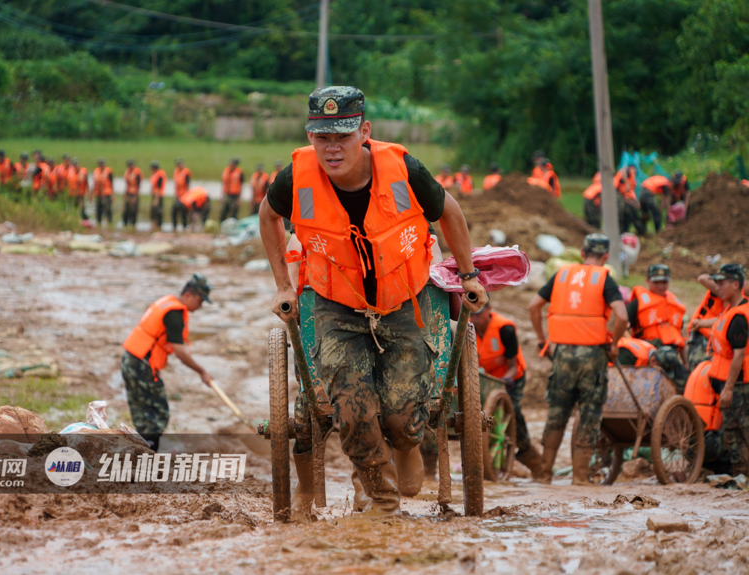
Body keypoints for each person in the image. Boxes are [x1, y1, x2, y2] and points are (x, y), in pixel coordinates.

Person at [259, 86, 487, 519]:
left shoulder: (403, 169)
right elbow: (267, 217)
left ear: (364, 132)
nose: (331, 149)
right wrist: (284, 288)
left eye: (342, 137)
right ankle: (382, 502)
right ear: (311, 137)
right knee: (350, 410)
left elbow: (450, 212)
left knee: (402, 413)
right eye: (321, 137)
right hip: (336, 304)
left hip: (403, 298)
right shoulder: (295, 177)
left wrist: (469, 274)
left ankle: (405, 445)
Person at [528, 233, 629, 484]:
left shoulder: (562, 274)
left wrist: (543, 339)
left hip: (562, 353)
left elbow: (533, 306)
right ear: (605, 257)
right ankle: (579, 478)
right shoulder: (605, 278)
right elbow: (622, 316)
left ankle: (545, 473)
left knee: (557, 412)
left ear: (582, 253)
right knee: (589, 412)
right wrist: (614, 344)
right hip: (592, 355)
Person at [121, 274, 215, 451]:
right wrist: (202, 371)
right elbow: (180, 352)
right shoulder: (174, 313)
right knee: (158, 413)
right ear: (189, 295)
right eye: (200, 301)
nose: (200, 306)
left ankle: (142, 452)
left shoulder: (167, 302)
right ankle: (148, 452)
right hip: (142, 365)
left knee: (141, 411)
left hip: (130, 359)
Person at [470, 302, 541, 476]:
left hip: (510, 376)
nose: (475, 318)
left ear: (488, 309)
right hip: (485, 378)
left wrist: (504, 381)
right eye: (472, 314)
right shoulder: (467, 329)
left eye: (478, 314)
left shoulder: (505, 329)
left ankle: (525, 448)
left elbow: (513, 366)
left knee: (513, 409)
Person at [702, 264, 749, 475]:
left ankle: (744, 474)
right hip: (728, 380)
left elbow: (739, 354)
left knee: (743, 430)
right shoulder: (729, 310)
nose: (718, 287)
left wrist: (728, 388)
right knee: (731, 431)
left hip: (739, 384)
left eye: (722, 283)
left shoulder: (739, 317)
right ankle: (741, 475)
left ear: (736, 284)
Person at [628, 264, 687, 365]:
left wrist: (685, 363)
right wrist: (634, 348)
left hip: (671, 355)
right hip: (648, 354)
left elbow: (679, 335)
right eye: (656, 282)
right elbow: (623, 327)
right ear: (647, 281)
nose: (660, 286)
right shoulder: (638, 303)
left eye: (664, 282)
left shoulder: (675, 305)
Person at [687, 274, 726, 370]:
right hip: (705, 338)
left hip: (718, 341)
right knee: (701, 371)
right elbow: (702, 278)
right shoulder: (729, 291)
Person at [171, 158, 192, 230]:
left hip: (184, 196)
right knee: (174, 211)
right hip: (178, 196)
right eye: (177, 164)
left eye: (180, 163)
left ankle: (185, 227)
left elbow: (188, 185)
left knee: (184, 213)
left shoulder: (186, 172)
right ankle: (174, 227)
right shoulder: (176, 172)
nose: (179, 165)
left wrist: (187, 197)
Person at [92, 157, 114, 227]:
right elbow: (94, 183)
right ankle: (98, 223)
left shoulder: (108, 171)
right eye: (100, 163)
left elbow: (112, 183)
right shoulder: (96, 171)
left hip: (106, 193)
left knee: (107, 209)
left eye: (102, 163)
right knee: (98, 209)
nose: (101, 165)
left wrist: (113, 194)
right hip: (98, 193)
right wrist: (91, 193)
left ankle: (109, 222)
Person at [123, 159, 142, 228]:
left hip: (134, 194)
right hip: (128, 193)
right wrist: (125, 193)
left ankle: (133, 224)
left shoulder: (137, 173)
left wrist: (135, 197)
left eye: (131, 164)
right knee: (126, 209)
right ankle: (125, 224)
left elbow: (138, 185)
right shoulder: (127, 172)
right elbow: (126, 184)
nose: (130, 166)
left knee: (133, 210)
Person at [149, 160, 167, 229]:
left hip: (158, 195)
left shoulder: (159, 175)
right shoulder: (154, 174)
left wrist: (156, 199)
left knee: (158, 210)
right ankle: (154, 224)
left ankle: (158, 225)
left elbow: (159, 188)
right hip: (155, 195)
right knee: (153, 210)